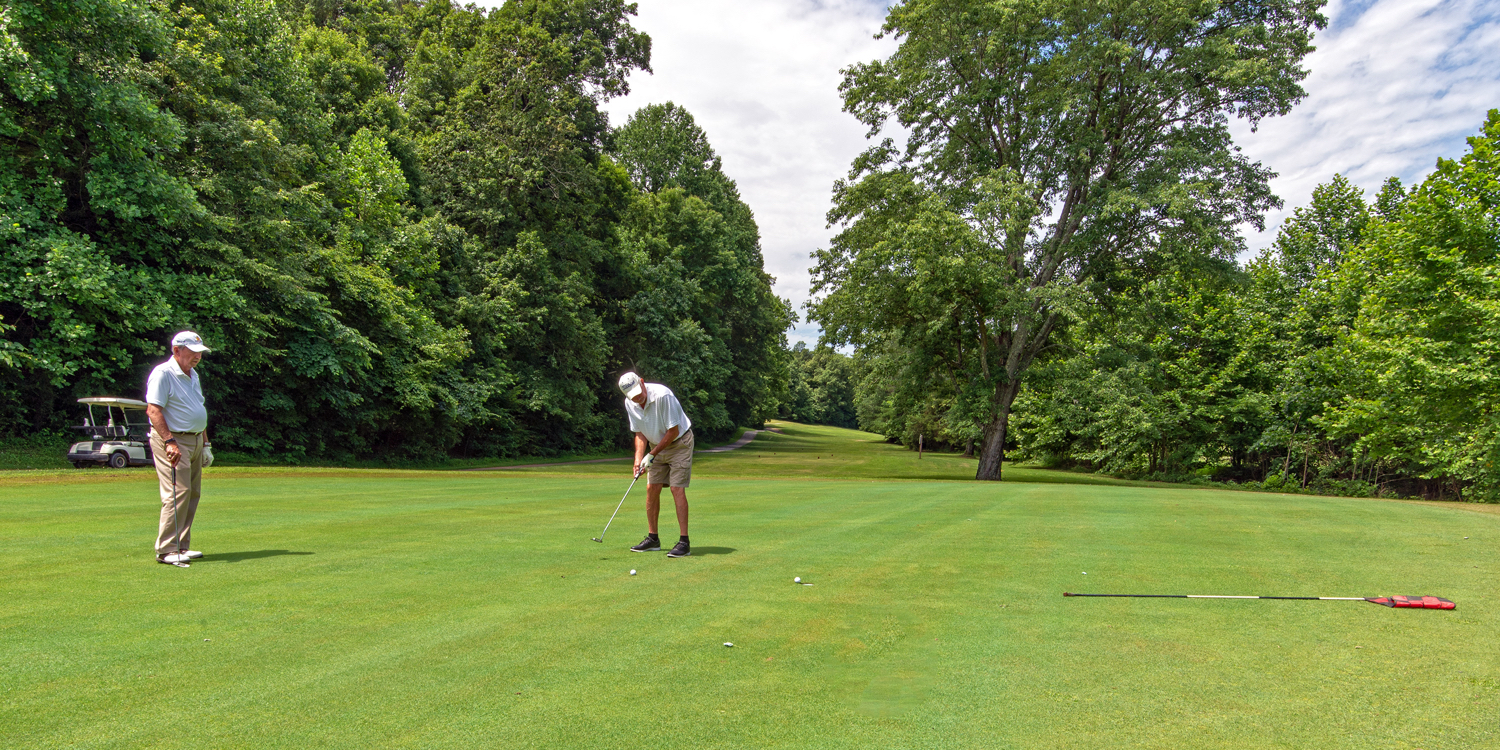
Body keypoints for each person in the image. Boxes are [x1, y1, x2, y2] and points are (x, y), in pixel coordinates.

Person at [145, 331, 215, 567]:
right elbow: (154, 410)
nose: (197, 357)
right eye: (193, 352)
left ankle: (181, 546)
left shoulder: (193, 375)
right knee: (178, 492)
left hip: (195, 440)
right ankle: (167, 549)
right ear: (176, 350)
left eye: (200, 353)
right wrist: (169, 442)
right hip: (173, 441)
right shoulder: (163, 373)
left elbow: (198, 410)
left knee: (193, 492)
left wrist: (205, 444)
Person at [618, 372, 694, 557]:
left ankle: (684, 542)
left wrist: (651, 454)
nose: (638, 398)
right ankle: (653, 539)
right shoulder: (631, 403)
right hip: (655, 446)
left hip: (679, 443)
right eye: (633, 396)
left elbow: (672, 430)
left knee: (677, 488)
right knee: (652, 488)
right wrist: (638, 459)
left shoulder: (663, 395)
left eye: (638, 392)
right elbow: (640, 433)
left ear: (642, 382)